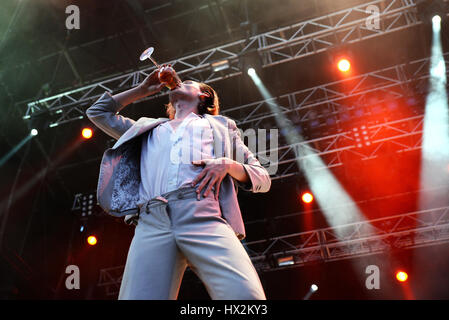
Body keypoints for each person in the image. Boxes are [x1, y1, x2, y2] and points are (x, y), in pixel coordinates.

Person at [86, 64, 271, 300]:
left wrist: (227, 164)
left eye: (190, 82)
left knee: (246, 298)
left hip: (203, 215)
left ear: (204, 95)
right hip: (152, 222)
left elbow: (262, 177)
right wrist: (142, 89)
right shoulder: (147, 129)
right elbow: (98, 112)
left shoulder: (221, 126)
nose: (180, 81)